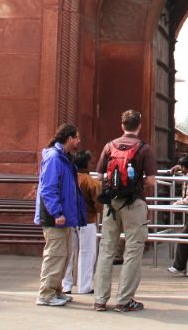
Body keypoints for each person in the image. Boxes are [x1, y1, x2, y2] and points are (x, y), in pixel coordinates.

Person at [93, 110, 157, 313]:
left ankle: (100, 300)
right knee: (133, 250)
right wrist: (134, 183)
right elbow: (151, 180)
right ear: (139, 125)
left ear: (122, 125)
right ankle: (124, 300)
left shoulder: (109, 146)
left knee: (106, 250)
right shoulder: (143, 149)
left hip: (111, 204)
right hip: (133, 203)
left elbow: (99, 176)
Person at [34, 123, 86, 307]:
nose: (79, 141)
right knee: (55, 254)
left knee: (63, 254)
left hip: (63, 215)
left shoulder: (63, 158)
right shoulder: (55, 159)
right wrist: (57, 212)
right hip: (54, 216)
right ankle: (46, 293)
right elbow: (48, 189)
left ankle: (55, 290)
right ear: (69, 138)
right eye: (77, 137)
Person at [62, 150, 100, 295]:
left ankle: (66, 285)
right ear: (87, 163)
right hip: (87, 220)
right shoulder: (90, 181)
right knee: (87, 252)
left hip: (70, 219)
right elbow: (99, 204)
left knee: (69, 253)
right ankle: (84, 285)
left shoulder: (69, 178)